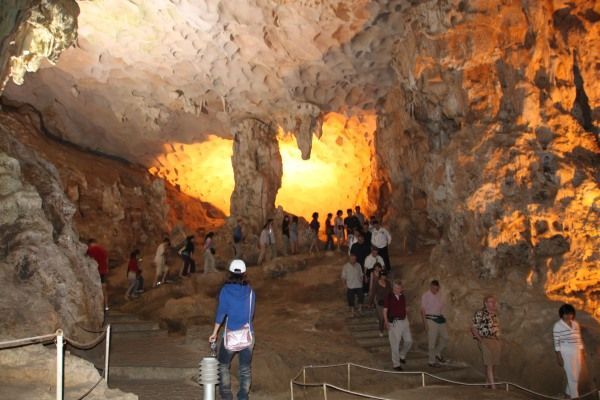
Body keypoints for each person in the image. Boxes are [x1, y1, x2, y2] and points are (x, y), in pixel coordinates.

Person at [208, 260, 256, 400]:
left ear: (229, 272)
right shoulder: (251, 292)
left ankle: (226, 394)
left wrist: (214, 333)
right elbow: (251, 314)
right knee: (245, 369)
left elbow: (221, 313)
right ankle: (242, 396)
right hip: (248, 335)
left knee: (223, 365)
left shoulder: (225, 290)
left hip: (231, 335)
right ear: (244, 273)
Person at [553, 303, 585, 399]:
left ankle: (567, 395)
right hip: (566, 352)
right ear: (561, 314)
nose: (568, 316)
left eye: (570, 313)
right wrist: (559, 356)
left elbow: (578, 338)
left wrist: (582, 350)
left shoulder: (575, 324)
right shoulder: (557, 326)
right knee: (573, 377)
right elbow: (556, 342)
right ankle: (575, 397)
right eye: (566, 314)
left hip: (576, 352)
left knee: (577, 374)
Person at [471, 295, 501, 389]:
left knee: (493, 364)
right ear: (486, 303)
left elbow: (496, 328)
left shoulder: (495, 314)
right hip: (485, 339)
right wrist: (481, 340)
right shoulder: (480, 313)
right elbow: (473, 328)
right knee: (489, 364)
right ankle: (493, 387)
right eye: (491, 301)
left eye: (494, 301)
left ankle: (486, 384)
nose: (493, 303)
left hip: (495, 340)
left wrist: (499, 340)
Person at [383, 279, 413, 371]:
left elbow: (403, 308)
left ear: (401, 289)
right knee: (395, 344)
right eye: (395, 288)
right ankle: (396, 364)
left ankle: (402, 355)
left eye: (399, 288)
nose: (397, 289)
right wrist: (386, 321)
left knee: (409, 341)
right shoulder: (389, 296)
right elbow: (385, 310)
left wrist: (407, 315)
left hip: (404, 321)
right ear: (393, 287)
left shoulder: (402, 296)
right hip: (394, 322)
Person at [420, 280, 448, 368]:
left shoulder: (438, 295)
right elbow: (422, 310)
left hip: (439, 318)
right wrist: (425, 324)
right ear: (431, 286)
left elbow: (440, 307)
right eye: (434, 288)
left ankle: (437, 353)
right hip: (431, 319)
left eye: (437, 288)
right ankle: (431, 361)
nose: (436, 290)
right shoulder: (426, 295)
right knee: (432, 342)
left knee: (445, 338)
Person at [86, 239, 109, 311]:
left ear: (90, 244)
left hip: (95, 272)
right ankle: (106, 306)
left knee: (95, 290)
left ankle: (97, 308)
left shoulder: (90, 249)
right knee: (104, 290)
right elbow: (107, 261)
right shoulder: (103, 249)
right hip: (103, 272)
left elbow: (87, 259)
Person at [369, 267, 391, 336]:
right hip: (379, 302)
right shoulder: (376, 283)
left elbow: (391, 292)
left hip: (387, 302)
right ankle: (381, 330)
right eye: (382, 275)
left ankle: (386, 327)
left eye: (385, 275)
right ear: (380, 276)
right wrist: (370, 302)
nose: (383, 277)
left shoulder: (388, 283)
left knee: (387, 317)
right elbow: (372, 293)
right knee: (381, 318)